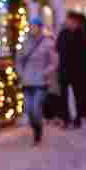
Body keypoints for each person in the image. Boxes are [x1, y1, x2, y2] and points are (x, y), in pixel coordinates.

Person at [16, 17, 57, 145]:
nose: (32, 29)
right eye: (31, 26)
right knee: (28, 108)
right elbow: (18, 60)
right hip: (27, 81)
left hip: (41, 81)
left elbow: (54, 62)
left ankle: (38, 132)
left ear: (40, 28)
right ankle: (36, 126)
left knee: (35, 107)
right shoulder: (25, 43)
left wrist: (46, 72)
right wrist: (21, 73)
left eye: (35, 26)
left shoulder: (47, 43)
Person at [57, 11, 86, 128]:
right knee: (63, 96)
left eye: (70, 21)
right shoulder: (63, 33)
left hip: (78, 71)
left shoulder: (83, 34)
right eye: (67, 20)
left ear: (76, 23)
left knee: (78, 95)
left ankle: (78, 118)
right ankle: (66, 118)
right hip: (64, 69)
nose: (68, 22)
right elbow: (58, 48)